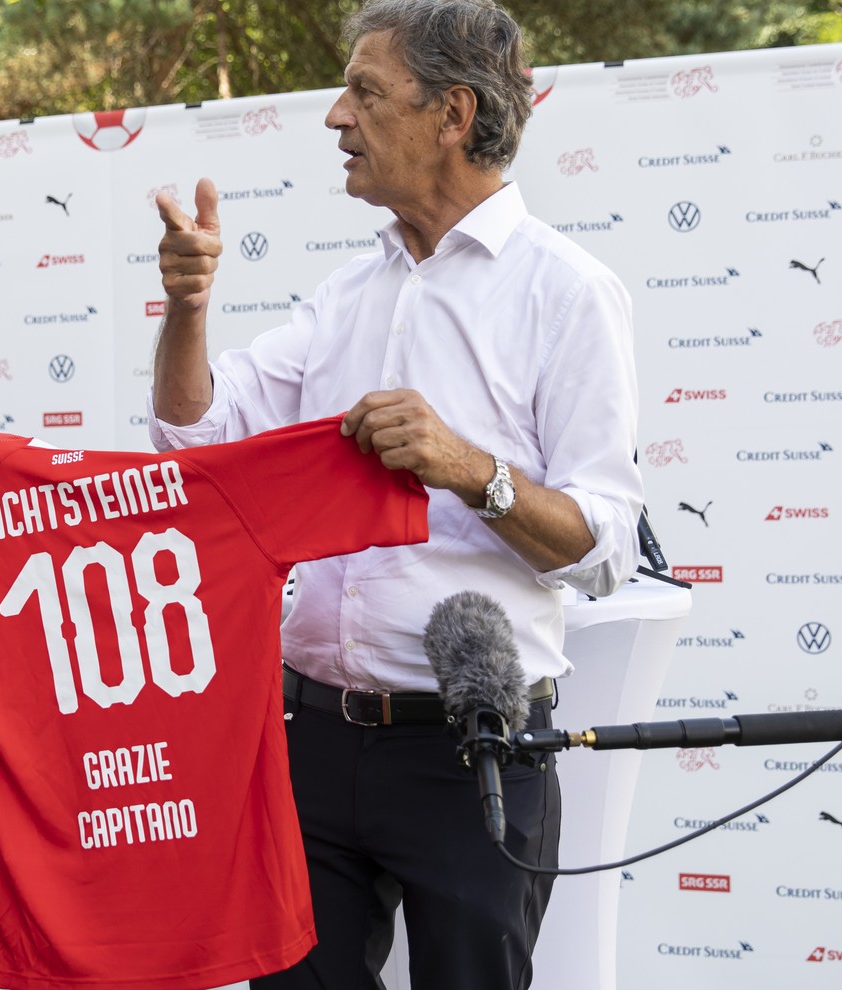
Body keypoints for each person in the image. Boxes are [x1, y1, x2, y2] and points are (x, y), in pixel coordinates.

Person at [149, 1, 643, 988]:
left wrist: (472, 469)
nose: (337, 115)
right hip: (310, 742)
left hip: (470, 759)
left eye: (366, 91)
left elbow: (602, 543)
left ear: (453, 113)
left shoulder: (567, 292)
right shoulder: (348, 291)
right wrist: (188, 311)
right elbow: (196, 434)